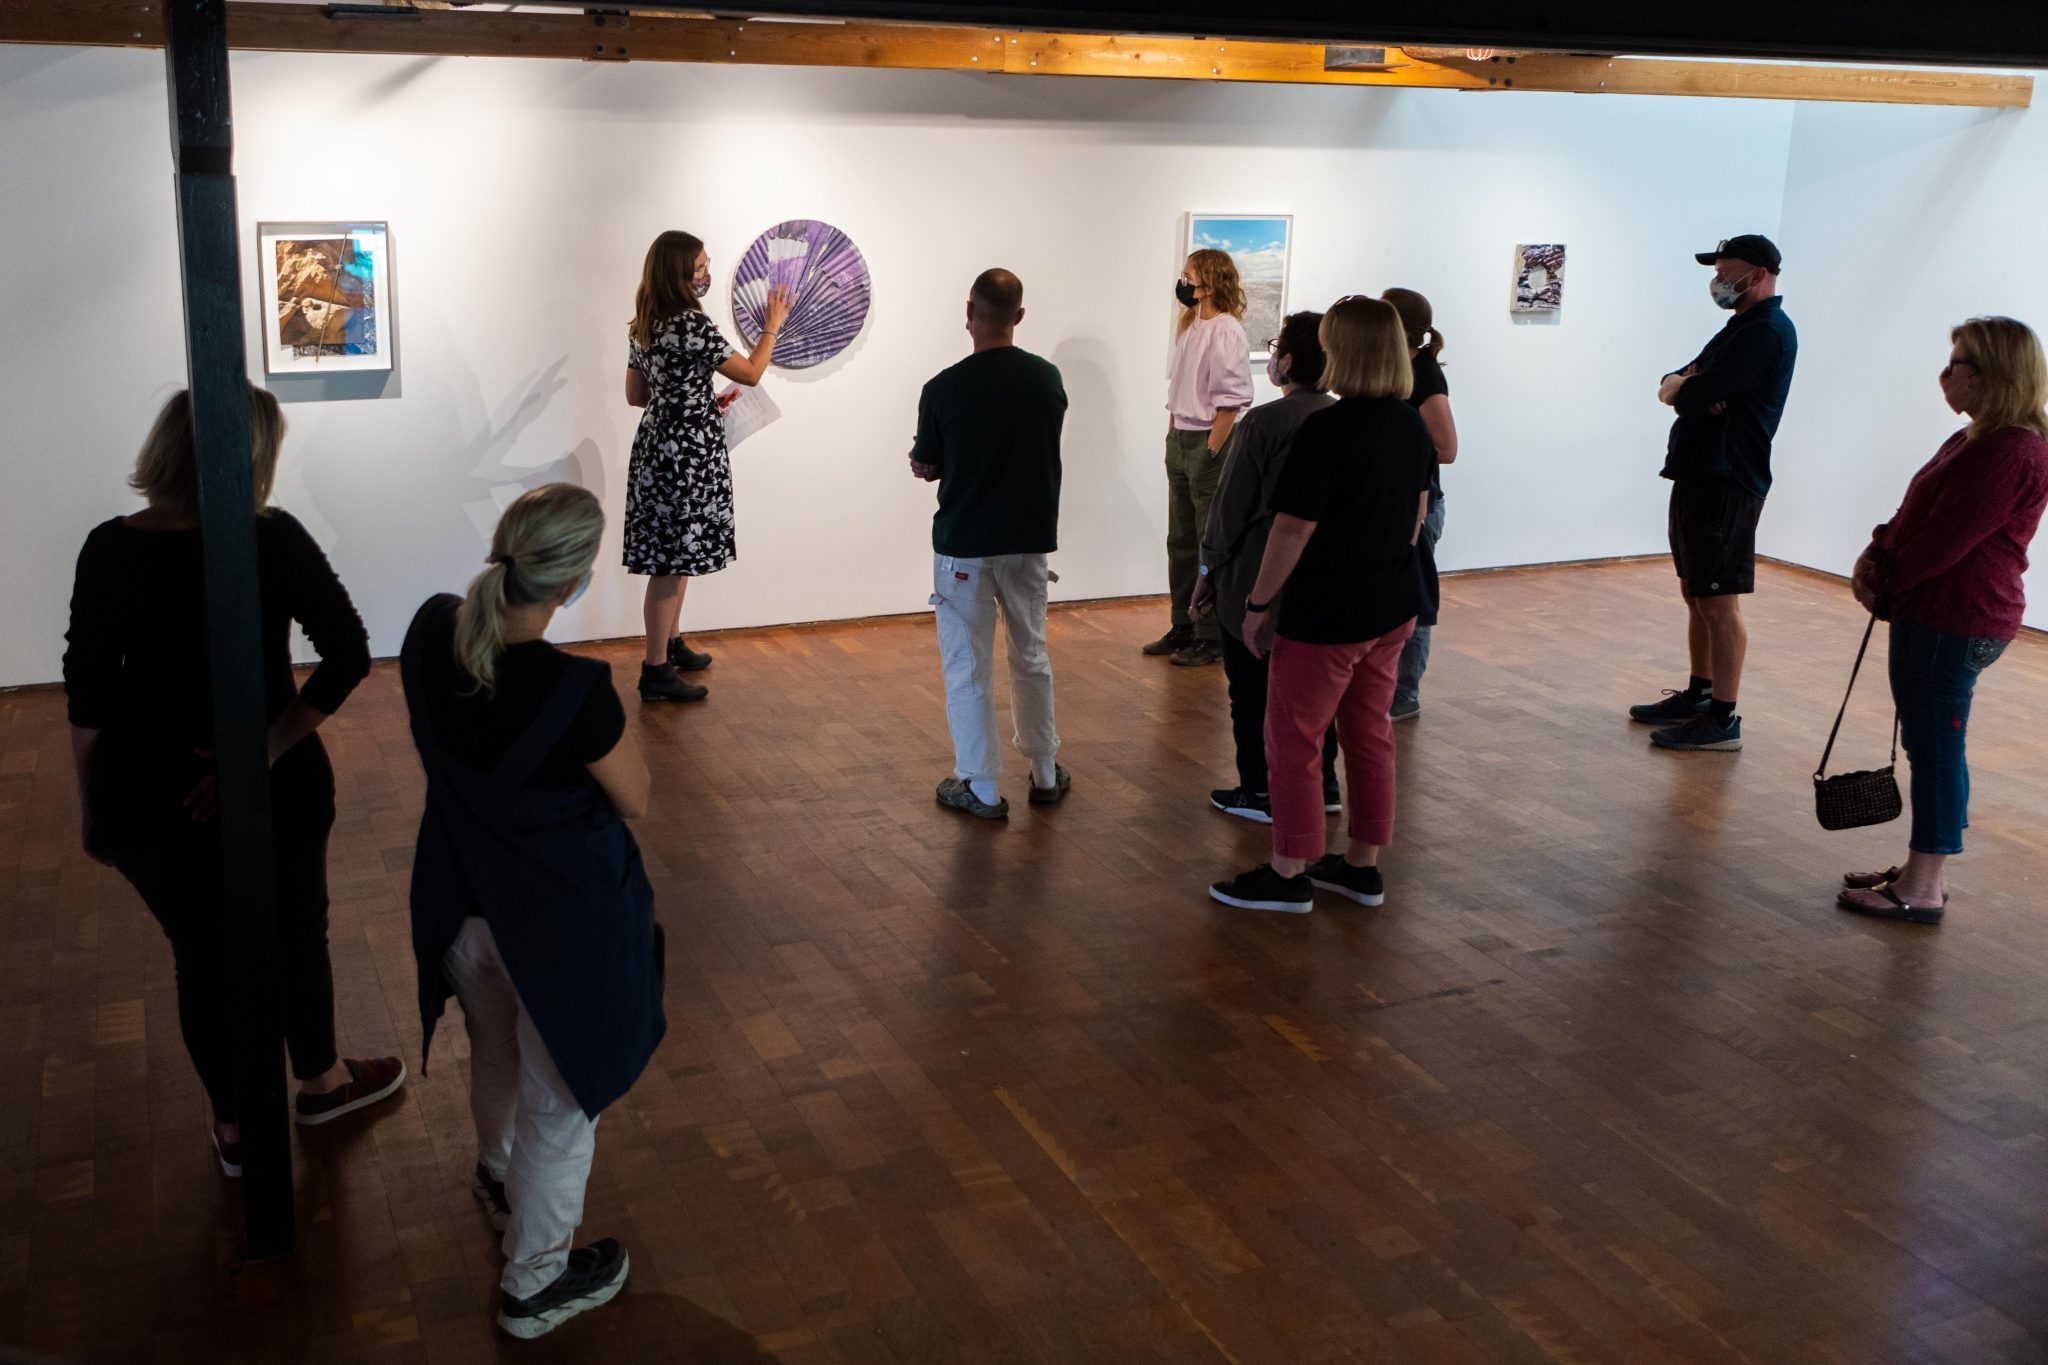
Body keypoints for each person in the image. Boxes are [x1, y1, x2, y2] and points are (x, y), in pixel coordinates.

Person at [62, 386, 404, 1180]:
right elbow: (349, 650)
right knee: (295, 928)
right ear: (253, 456)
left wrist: (92, 805)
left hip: (146, 790)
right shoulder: (268, 537)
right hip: (273, 779)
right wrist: (265, 748)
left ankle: (236, 1125)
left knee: (202, 956)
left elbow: (88, 690)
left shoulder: (108, 547)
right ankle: (319, 1081)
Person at [401, 483, 663, 1338]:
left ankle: (497, 1169)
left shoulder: (427, 634)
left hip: (461, 910)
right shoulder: (576, 690)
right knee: (562, 1101)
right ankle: (534, 1283)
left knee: (497, 1049)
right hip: (554, 932)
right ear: (575, 581)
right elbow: (636, 799)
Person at [1210, 297, 1435, 913]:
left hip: (1328, 615)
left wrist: (1258, 605)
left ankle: (1288, 873)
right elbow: (1416, 517)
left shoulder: (1327, 430)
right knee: (1370, 735)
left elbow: (1292, 529)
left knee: (1294, 738)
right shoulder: (1409, 423)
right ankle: (1362, 866)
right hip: (1392, 607)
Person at [1838, 317, 2048, 926]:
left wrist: (1884, 582)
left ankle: (1923, 887)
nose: (1943, 374)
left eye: (1955, 364)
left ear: (1992, 376)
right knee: (1932, 743)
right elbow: (1914, 516)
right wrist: (1873, 554)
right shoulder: (1976, 439)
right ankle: (1921, 871)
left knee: (1934, 748)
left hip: (1957, 615)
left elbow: (1944, 542)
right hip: (1938, 609)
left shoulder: (2011, 450)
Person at [909, 269, 1071, 820]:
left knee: (968, 665)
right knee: (1031, 653)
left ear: (969, 312)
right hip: (1027, 541)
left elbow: (927, 462)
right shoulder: (1046, 379)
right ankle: (1045, 770)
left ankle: (980, 786)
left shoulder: (943, 387)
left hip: (965, 543)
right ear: (1019, 317)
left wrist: (933, 462)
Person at [1631, 234, 1797, 752]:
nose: (1720, 281)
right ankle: (1700, 696)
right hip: (1700, 473)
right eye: (1718, 272)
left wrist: (1693, 389)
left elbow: (1692, 391)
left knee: (1719, 601)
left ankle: (1723, 719)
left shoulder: (1766, 332)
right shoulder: (1739, 327)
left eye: (1729, 272)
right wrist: (1687, 387)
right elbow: (1673, 381)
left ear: (1761, 274)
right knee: (1696, 592)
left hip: (1729, 480)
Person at [624, 229, 793, 703]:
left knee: (676, 552)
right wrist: (772, 325)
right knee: (672, 561)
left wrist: (690, 399)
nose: (705, 272)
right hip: (688, 455)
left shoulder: (643, 322)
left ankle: (672, 644)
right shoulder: (690, 324)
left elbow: (636, 396)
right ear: (679, 272)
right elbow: (752, 372)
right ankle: (655, 669)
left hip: (659, 446)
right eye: (700, 266)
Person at [1193, 310, 1342, 823]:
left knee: (1251, 691)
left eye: (1278, 347)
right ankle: (1323, 784)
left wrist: (1208, 570)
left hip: (1258, 575)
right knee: (1317, 696)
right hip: (1323, 581)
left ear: (1290, 360)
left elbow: (1231, 506)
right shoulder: (1342, 418)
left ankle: (1258, 790)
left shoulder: (1267, 422)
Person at [1143, 248, 1254, 667]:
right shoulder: (1191, 326)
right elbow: (1179, 390)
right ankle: (1182, 624)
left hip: (1209, 440)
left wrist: (1211, 448)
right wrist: (1173, 435)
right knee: (1181, 541)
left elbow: (1231, 401)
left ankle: (1211, 634)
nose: (1183, 282)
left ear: (1210, 281)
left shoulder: (1226, 330)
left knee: (1210, 542)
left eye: (1189, 275)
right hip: (1183, 439)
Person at [1382, 288, 1459, 721]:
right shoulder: (1400, 370)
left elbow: (1446, 447)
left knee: (1414, 599)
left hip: (1420, 504)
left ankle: (1404, 693)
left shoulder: (1425, 375)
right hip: (1400, 498)